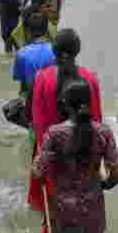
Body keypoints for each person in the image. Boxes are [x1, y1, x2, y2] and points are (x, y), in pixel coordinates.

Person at [32, 80, 118, 233]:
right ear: (89, 101)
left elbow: (39, 173)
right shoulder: (103, 132)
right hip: (94, 209)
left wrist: (36, 162)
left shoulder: (55, 133)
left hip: (64, 210)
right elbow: (117, 174)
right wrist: (104, 185)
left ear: (65, 104)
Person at [29, 29, 102, 212]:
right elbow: (97, 121)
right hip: (83, 156)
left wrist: (41, 157)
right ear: (77, 51)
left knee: (52, 211)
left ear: (54, 51)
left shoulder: (42, 78)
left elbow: (38, 123)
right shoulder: (90, 79)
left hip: (51, 155)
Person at [12, 12, 56, 121]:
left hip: (33, 104)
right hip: (54, 101)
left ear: (28, 32)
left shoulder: (21, 54)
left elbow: (23, 87)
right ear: (46, 31)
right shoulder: (56, 51)